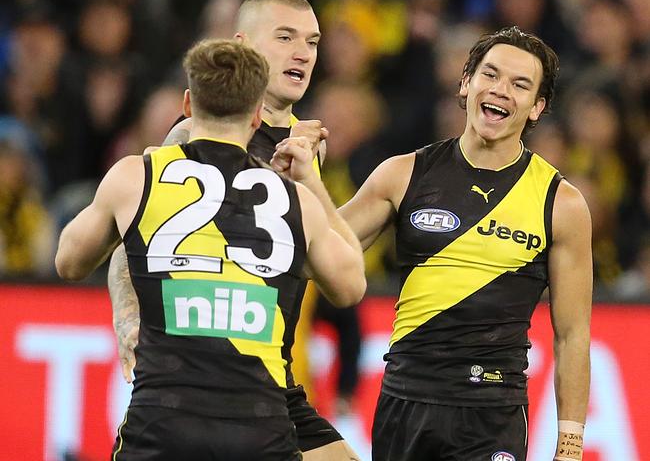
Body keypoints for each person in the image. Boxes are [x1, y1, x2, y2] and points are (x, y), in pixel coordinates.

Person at [273, 26, 593, 461]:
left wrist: (570, 445)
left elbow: (572, 334)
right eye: (491, 75)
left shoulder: (562, 204)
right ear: (466, 83)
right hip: (405, 402)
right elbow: (321, 256)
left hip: (491, 413)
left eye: (520, 85)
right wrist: (307, 179)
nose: (500, 91)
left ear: (537, 107)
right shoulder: (402, 174)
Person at [55, 39, 366, 460]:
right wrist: (309, 179)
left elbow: (69, 262)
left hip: (163, 420)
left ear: (187, 104)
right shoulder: (296, 200)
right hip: (260, 423)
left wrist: (132, 206)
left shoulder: (136, 176)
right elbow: (350, 287)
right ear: (258, 115)